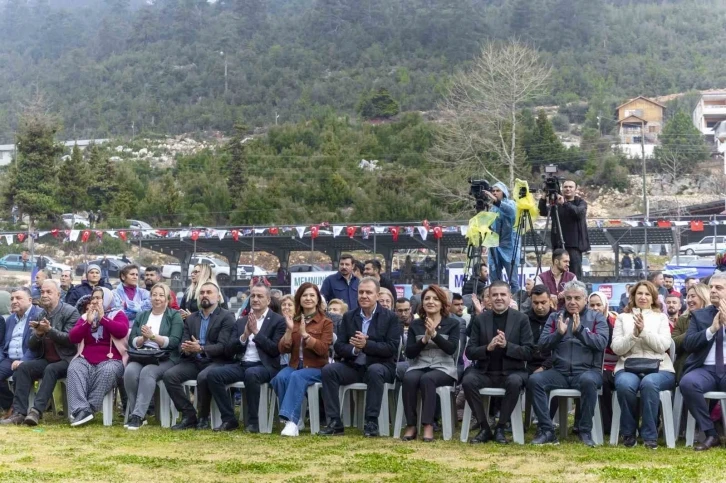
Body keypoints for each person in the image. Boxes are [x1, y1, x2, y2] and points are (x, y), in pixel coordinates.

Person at [318, 277, 401, 437]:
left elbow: (391, 348)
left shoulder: (390, 317)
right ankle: (334, 422)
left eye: (368, 292)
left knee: (375, 370)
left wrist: (366, 345)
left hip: (381, 366)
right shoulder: (349, 316)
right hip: (354, 365)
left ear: (377, 295)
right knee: (329, 370)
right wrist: (355, 350)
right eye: (361, 292)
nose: (364, 296)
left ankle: (371, 422)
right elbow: (339, 346)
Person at [529, 280, 608, 447]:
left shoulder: (597, 318)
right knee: (535, 380)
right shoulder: (555, 317)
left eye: (577, 298)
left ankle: (584, 430)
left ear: (585, 299)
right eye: (569, 298)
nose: (572, 302)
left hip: (588, 372)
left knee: (588, 380)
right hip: (560, 372)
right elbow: (542, 346)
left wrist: (580, 331)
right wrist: (558, 333)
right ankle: (547, 430)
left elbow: (601, 343)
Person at [207, 283, 285, 432]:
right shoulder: (241, 321)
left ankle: (253, 423)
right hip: (242, 364)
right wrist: (244, 336)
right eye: (253, 296)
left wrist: (256, 332)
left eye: (260, 296)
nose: (255, 299)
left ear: (268, 300)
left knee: (252, 373)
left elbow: (275, 350)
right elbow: (228, 350)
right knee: (213, 375)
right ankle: (229, 419)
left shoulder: (277, 320)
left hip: (265, 366)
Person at [462, 281, 532, 444]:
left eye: (503, 295)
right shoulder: (481, 319)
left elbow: (529, 352)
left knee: (515, 382)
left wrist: (507, 346)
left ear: (509, 297)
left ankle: (500, 427)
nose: (499, 298)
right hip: (485, 372)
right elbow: (470, 351)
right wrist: (488, 347)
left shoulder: (522, 319)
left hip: (512, 371)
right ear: (489, 299)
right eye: (495, 295)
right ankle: (484, 427)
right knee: (468, 380)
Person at [1, 280, 79, 426]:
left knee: (51, 369)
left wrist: (49, 330)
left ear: (58, 294)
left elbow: (70, 339)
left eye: (49, 292)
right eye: (42, 292)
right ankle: (19, 413)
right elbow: (32, 346)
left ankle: (36, 411)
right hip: (46, 359)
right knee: (23, 367)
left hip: (66, 359)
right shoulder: (41, 314)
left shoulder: (70, 311)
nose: (44, 295)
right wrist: (37, 335)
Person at [611, 280, 675, 449]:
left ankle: (649, 436)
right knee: (624, 384)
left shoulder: (661, 317)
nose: (643, 297)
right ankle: (628, 433)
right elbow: (617, 348)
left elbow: (663, 346)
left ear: (653, 297)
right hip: (628, 366)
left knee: (649, 383)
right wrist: (633, 335)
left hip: (660, 368)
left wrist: (644, 332)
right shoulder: (622, 318)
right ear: (633, 296)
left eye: (647, 294)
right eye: (639, 293)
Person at [163, 282, 235, 430]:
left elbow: (224, 346)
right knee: (170, 375)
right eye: (202, 293)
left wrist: (201, 348)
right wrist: (187, 349)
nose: (205, 295)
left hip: (217, 361)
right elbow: (183, 341)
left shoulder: (227, 316)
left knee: (204, 376)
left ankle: (203, 417)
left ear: (218, 296)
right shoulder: (191, 318)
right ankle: (189, 415)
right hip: (194, 360)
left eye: (209, 292)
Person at [272, 283, 333, 437]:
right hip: (294, 365)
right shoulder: (295, 320)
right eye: (305, 295)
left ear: (318, 299)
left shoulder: (326, 322)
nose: (308, 298)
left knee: (296, 376)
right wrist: (288, 330)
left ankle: (291, 422)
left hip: (316, 367)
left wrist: (306, 335)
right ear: (299, 299)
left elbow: (323, 350)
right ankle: (295, 419)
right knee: (280, 378)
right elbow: (282, 349)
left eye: (312, 295)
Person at [400, 285, 460, 442]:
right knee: (409, 378)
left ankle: (428, 424)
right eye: (427, 298)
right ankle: (411, 425)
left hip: (444, 367)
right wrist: (424, 339)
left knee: (428, 379)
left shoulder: (452, 324)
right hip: (420, 364)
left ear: (442, 303)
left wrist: (434, 335)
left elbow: (451, 350)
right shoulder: (416, 325)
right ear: (422, 303)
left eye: (435, 299)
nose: (431, 302)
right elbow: (410, 353)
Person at [66, 287, 129, 426]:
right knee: (74, 367)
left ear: (107, 299)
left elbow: (121, 331)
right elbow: (73, 337)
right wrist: (87, 323)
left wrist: (103, 319)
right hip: (86, 358)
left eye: (98, 298)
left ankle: (87, 410)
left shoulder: (117, 314)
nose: (94, 301)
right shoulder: (85, 316)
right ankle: (80, 408)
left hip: (112, 359)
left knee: (108, 371)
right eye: (92, 298)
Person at [124, 283, 183, 430]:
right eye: (154, 295)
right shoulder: (142, 315)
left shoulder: (174, 316)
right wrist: (143, 339)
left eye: (161, 295)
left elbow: (175, 341)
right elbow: (132, 339)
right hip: (143, 353)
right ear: (150, 297)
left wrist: (153, 337)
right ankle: (137, 413)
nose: (157, 298)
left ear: (168, 299)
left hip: (165, 357)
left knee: (147, 372)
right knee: (130, 371)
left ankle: (137, 416)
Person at [679, 272, 726, 451]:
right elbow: (689, 344)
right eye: (711, 287)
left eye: (719, 288)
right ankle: (711, 433)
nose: (713, 291)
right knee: (688, 383)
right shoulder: (700, 316)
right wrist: (712, 329)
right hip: (705, 369)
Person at [0, 288, 44, 413]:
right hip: (10, 358)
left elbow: (37, 345)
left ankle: (17, 410)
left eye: (18, 298)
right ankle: (10, 405)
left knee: (19, 372)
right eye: (12, 298)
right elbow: (3, 346)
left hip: (30, 358)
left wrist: (24, 360)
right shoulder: (10, 320)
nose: (14, 301)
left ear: (30, 300)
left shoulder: (38, 315)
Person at [537, 179, 590, 279]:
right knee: (557, 273)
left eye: (570, 187)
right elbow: (543, 212)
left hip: (575, 245)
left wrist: (565, 203)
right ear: (562, 188)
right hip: (558, 245)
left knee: (575, 275)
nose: (568, 189)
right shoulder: (555, 204)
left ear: (575, 189)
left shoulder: (581, 202)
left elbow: (578, 213)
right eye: (565, 187)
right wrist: (544, 197)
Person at [587, 291, 618, 437]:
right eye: (591, 305)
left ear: (605, 305)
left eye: (598, 304)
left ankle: (612, 424)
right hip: (593, 365)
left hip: (615, 364)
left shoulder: (615, 321)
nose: (595, 308)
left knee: (605, 379)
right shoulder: (584, 321)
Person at [673, 283, 711, 381]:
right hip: (687, 365)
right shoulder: (683, 319)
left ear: (704, 297)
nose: (689, 300)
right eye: (688, 296)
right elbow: (673, 344)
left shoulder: (715, 318)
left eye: (693, 296)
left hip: (710, 364)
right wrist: (692, 332)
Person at [486, 183, 519, 293]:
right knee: (495, 280)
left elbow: (511, 212)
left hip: (509, 248)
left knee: (513, 281)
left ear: (503, 192)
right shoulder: (492, 209)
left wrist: (497, 202)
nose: (494, 193)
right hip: (494, 248)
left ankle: (515, 304)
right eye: (493, 191)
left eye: (497, 190)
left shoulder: (511, 204)